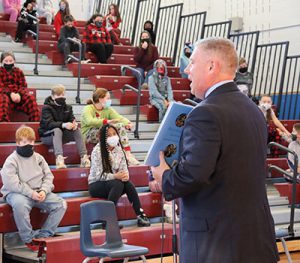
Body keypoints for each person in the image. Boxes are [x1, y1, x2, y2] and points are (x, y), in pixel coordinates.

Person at [151, 38, 279, 263]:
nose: (187, 69)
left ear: (211, 66)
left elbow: (193, 175)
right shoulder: (253, 110)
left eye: (192, 62)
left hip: (216, 245)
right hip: (253, 239)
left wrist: (165, 176)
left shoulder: (205, 113)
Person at [0, 126, 67, 251]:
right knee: (20, 204)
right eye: (25, 142)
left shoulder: (39, 158)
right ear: (18, 143)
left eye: (31, 142)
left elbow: (48, 177)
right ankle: (28, 239)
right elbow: (12, 183)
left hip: (38, 192)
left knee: (61, 204)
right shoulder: (11, 160)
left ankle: (44, 236)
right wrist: (31, 193)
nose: (29, 144)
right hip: (17, 193)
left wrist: (43, 190)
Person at [88, 124, 150, 227]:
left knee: (128, 184)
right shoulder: (97, 151)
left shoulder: (119, 150)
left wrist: (125, 176)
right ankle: (107, 220)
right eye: (109, 135)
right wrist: (116, 176)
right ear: (103, 138)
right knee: (117, 184)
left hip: (114, 184)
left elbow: (124, 170)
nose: (113, 137)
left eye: (114, 134)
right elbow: (99, 176)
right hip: (96, 184)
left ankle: (140, 215)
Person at [81, 88, 139, 165]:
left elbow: (118, 117)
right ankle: (108, 157)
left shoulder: (108, 109)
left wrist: (128, 123)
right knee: (107, 129)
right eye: (108, 98)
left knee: (120, 126)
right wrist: (106, 121)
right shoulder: (88, 108)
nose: (109, 100)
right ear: (100, 99)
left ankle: (128, 154)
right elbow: (90, 121)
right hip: (89, 134)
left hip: (104, 131)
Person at [39, 84, 90, 169]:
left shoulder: (68, 107)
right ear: (52, 96)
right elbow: (49, 124)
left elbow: (71, 119)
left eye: (62, 95)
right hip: (47, 135)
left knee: (77, 129)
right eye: (58, 95)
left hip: (62, 135)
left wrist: (74, 124)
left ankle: (84, 157)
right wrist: (64, 125)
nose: (61, 97)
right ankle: (59, 159)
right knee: (57, 130)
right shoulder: (46, 108)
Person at [0, 51, 40, 122]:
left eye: (10, 61)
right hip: (5, 95)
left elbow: (23, 86)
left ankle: (35, 123)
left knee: (30, 99)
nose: (8, 63)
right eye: (6, 61)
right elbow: (1, 87)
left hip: (18, 95)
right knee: (3, 99)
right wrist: (10, 94)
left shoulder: (19, 71)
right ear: (1, 62)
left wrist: (19, 94)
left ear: (14, 61)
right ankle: (3, 124)